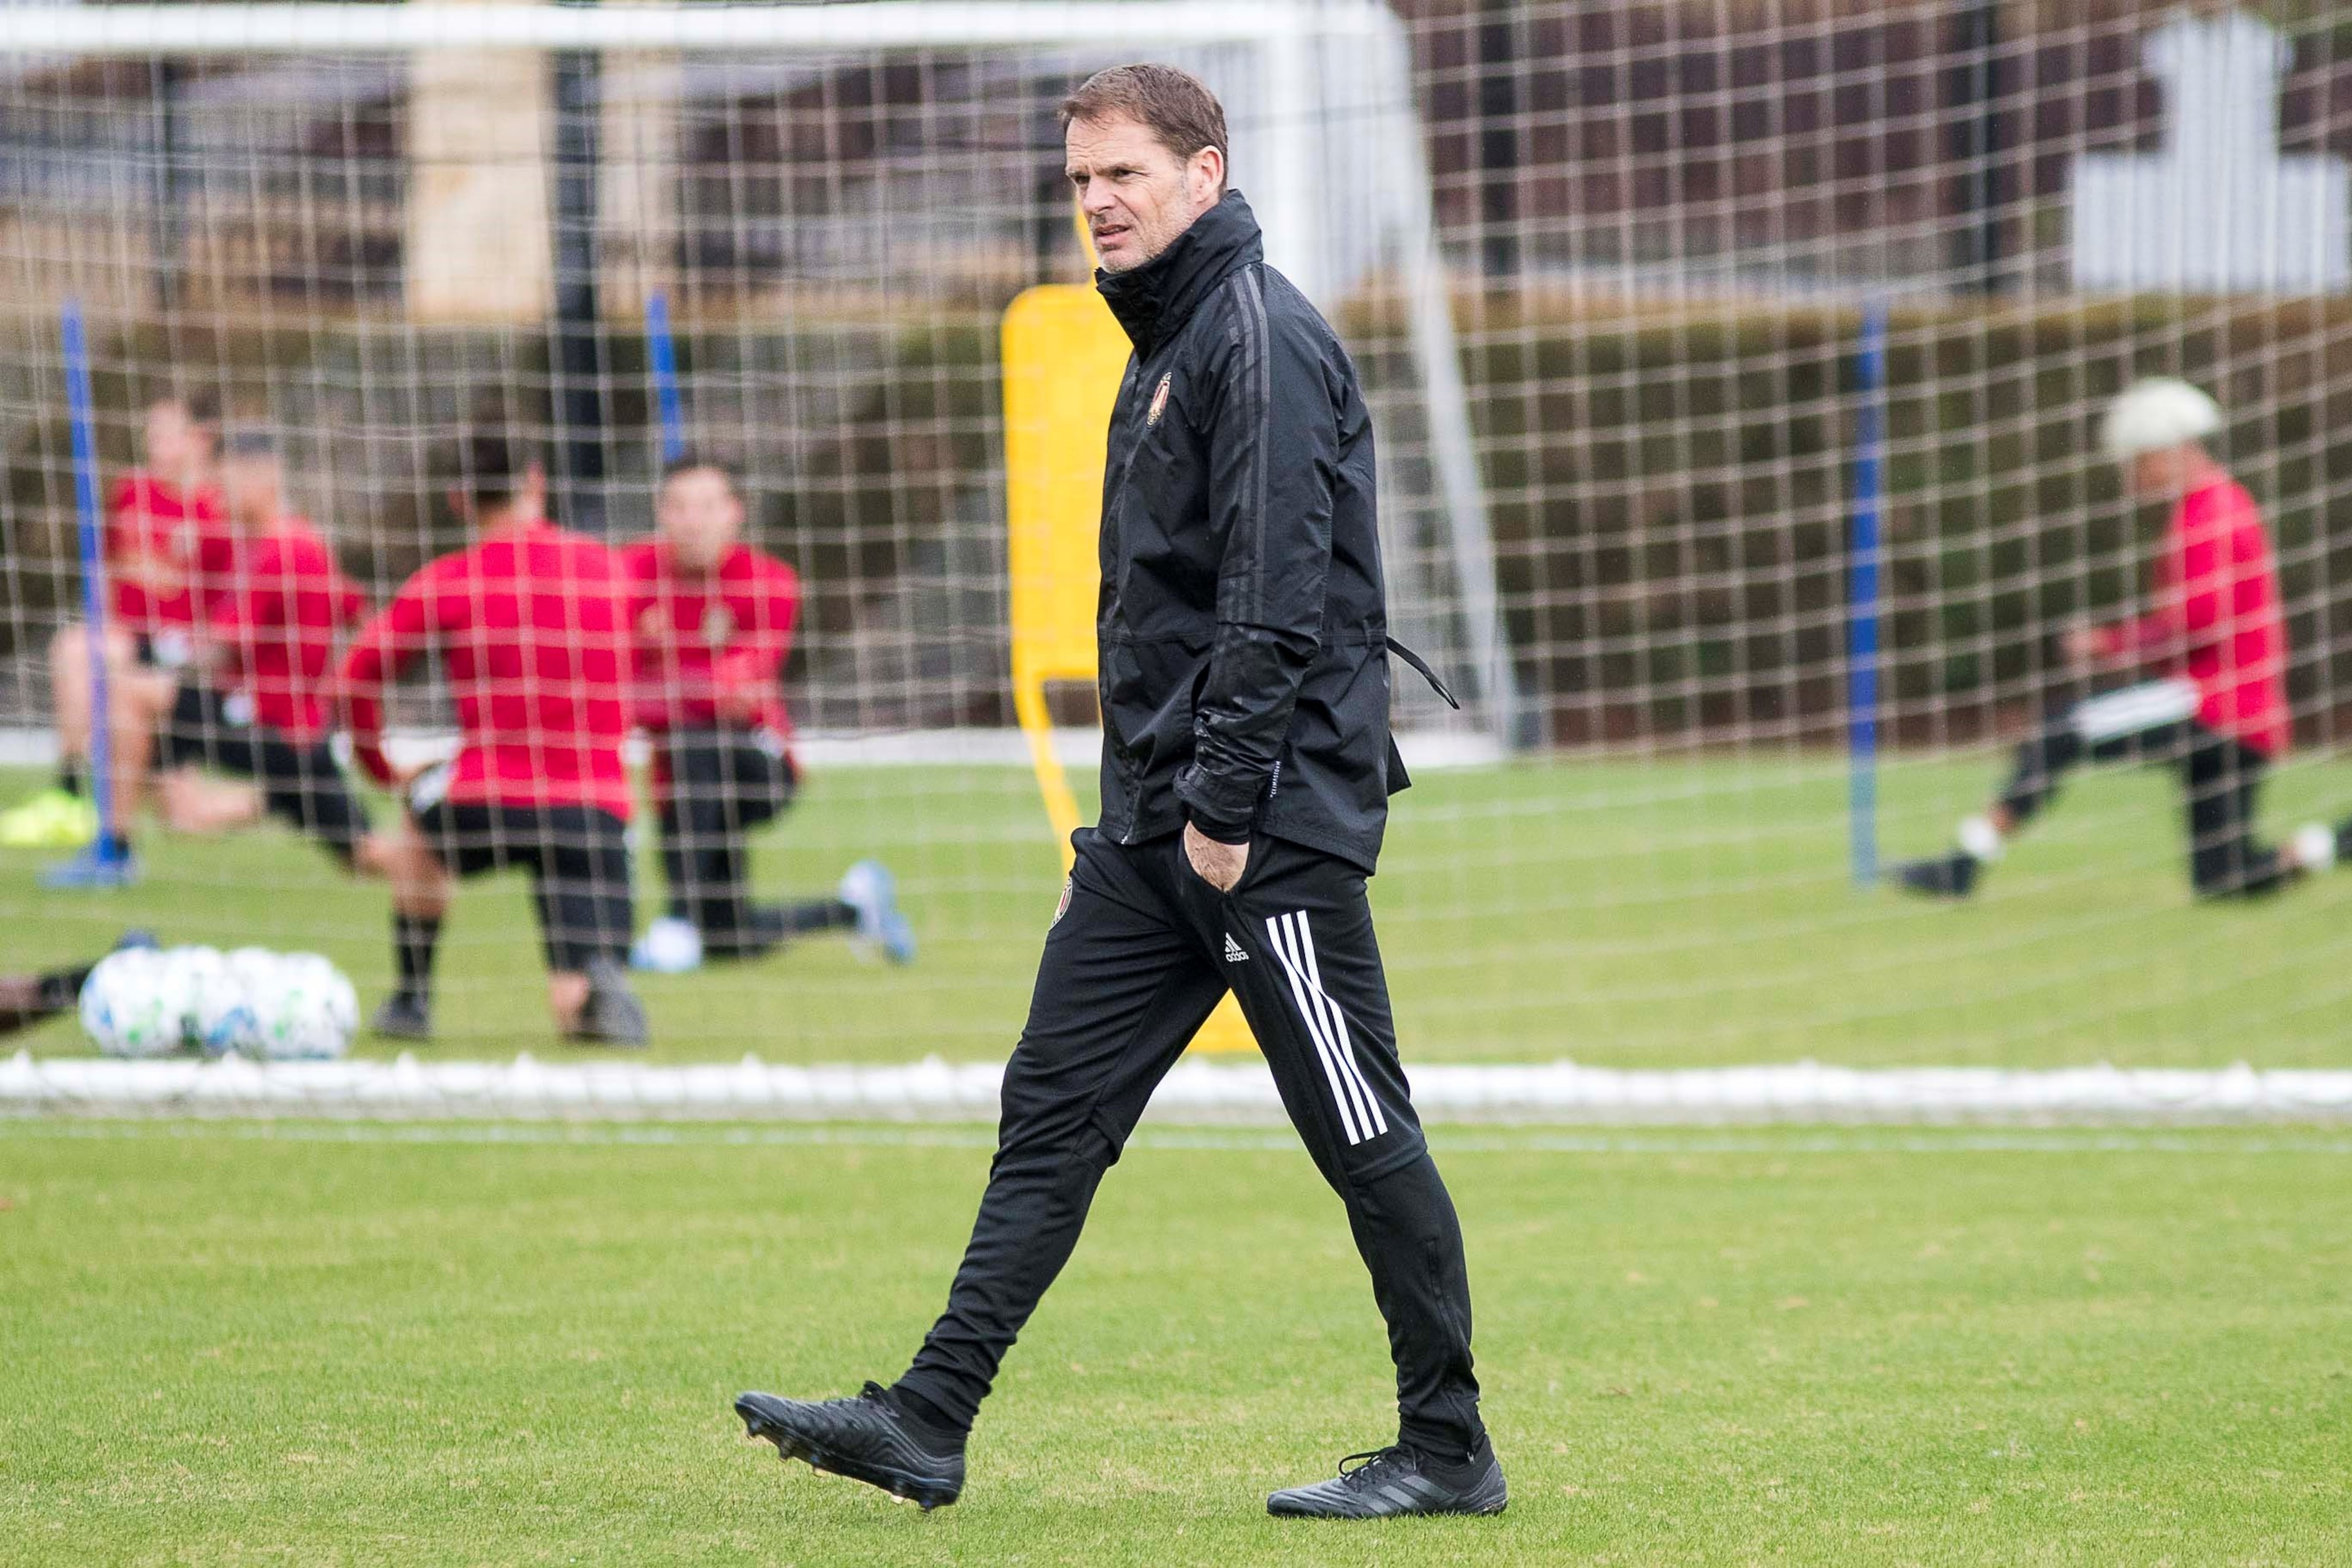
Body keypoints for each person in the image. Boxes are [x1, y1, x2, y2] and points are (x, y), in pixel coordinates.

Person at [733, 65, 1502, 1521]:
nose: (1095, 200)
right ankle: (927, 1418)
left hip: (1255, 831)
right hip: (1150, 830)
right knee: (1051, 1106)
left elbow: (1273, 606)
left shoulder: (1257, 340)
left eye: (1124, 174)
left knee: (1355, 1122)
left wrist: (1218, 814)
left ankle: (1448, 1445)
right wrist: (1141, 819)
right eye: (1080, 177)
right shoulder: (1160, 344)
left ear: (1204, 175)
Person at [1894, 377, 2347, 900]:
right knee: (2225, 879)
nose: (2132, 477)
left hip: (2213, 706)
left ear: (2169, 452)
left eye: (2136, 462)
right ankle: (2333, 844)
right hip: (2252, 722)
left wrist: (2106, 645)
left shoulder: (2210, 514)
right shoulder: (2222, 505)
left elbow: (2197, 622)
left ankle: (1964, 863)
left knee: (2060, 730)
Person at [339, 431, 647, 1046]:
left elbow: (356, 677)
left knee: (418, 814)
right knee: (572, 1000)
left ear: (458, 499)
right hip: (593, 807)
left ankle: (412, 999)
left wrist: (379, 767)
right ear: (536, 481)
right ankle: (591, 989)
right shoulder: (607, 570)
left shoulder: (452, 580)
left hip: (488, 799)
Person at [619, 454, 913, 971]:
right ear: (661, 513)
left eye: (708, 506)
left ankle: (679, 921)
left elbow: (735, 694)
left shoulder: (770, 581)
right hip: (683, 784)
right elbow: (614, 684)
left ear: (735, 512)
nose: (694, 520)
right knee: (728, 938)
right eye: (681, 507)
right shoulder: (627, 574)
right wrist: (679, 692)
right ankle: (852, 908)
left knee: (698, 742)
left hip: (760, 762)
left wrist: (662, 692)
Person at [2, 392, 238, 853]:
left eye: (166, 435)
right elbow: (109, 569)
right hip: (126, 641)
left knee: (187, 818)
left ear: (201, 440)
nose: (155, 445)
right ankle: (70, 792)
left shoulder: (220, 509)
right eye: (150, 434)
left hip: (185, 659)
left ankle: (274, 796)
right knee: (80, 648)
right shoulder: (131, 492)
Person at [148, 429, 385, 873]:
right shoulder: (291, 541)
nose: (220, 495)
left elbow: (224, 645)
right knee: (362, 856)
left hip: (279, 731)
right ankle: (200, 805)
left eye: (229, 483)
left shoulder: (283, 549)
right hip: (287, 731)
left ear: (266, 478)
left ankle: (122, 841)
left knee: (139, 692)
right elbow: (357, 609)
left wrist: (164, 651)